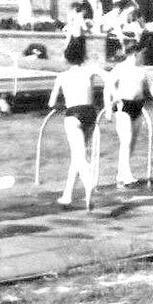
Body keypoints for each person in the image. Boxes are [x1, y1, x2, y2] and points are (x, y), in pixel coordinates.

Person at [47, 38, 107, 208]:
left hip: (73, 114)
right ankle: (67, 195)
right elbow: (108, 78)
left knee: (79, 156)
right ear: (83, 57)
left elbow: (51, 103)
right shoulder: (89, 72)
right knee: (77, 156)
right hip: (90, 113)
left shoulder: (62, 76)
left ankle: (89, 182)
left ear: (67, 58)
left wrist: (61, 104)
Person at [105, 41, 153, 187]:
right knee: (126, 140)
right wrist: (109, 107)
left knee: (131, 143)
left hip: (138, 107)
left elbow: (151, 87)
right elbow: (108, 85)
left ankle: (121, 173)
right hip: (123, 106)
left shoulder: (142, 70)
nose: (143, 56)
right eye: (142, 54)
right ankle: (127, 175)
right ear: (135, 54)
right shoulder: (120, 68)